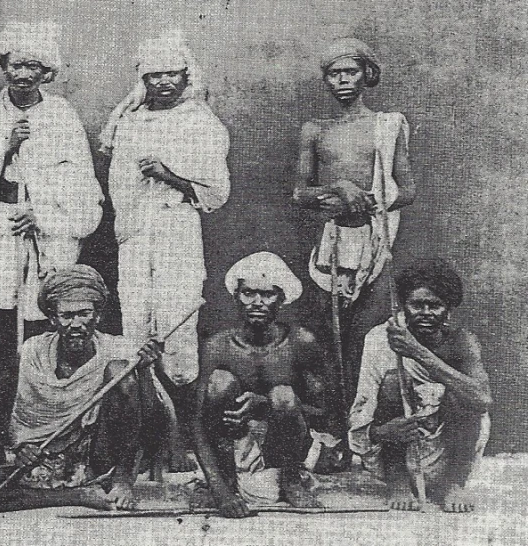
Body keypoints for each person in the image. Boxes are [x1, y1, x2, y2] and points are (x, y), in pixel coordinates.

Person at [0, 22, 103, 462]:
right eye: (16, 64)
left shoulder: (61, 115)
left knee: (46, 327)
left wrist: (42, 212)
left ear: (47, 73)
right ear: (4, 66)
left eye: (33, 66)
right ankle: (1, 434)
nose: (23, 74)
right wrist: (6, 147)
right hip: (4, 224)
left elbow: (82, 183)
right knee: (1, 330)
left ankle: (47, 433)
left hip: (50, 230)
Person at [99, 31, 230, 467]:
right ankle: (144, 442)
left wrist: (168, 174)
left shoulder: (201, 122)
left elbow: (215, 193)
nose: (164, 83)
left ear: (185, 75)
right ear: (144, 79)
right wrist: (134, 213)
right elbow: (119, 183)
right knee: (136, 323)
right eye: (154, 75)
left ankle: (185, 443)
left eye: (172, 74)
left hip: (177, 227)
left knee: (177, 324)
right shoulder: (130, 121)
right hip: (136, 232)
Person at [0, 265, 162, 513]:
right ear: (52, 318)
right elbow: (22, 416)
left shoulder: (118, 350)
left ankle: (120, 481)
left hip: (98, 456)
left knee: (119, 370)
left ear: (98, 316)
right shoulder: (34, 351)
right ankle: (76, 495)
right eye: (67, 315)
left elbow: (152, 424)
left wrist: (144, 371)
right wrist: (22, 447)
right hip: (44, 454)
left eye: (84, 314)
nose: (76, 324)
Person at [293, 38, 416, 446]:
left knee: (368, 339)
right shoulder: (315, 130)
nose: (343, 80)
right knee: (328, 343)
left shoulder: (387, 125)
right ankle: (331, 438)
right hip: (330, 244)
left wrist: (372, 200)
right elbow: (300, 193)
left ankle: (364, 437)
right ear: (325, 80)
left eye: (351, 71)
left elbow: (408, 189)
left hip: (375, 242)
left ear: (366, 74)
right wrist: (340, 188)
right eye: (334, 73)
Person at [348, 259, 492, 512]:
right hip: (395, 450)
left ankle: (453, 485)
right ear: (403, 306)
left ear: (448, 309)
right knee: (393, 382)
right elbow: (360, 412)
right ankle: (399, 483)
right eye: (417, 305)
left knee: (461, 393)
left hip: (448, 452)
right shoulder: (380, 339)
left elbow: (482, 399)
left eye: (434, 306)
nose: (425, 312)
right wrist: (383, 432)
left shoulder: (461, 341)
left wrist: (416, 352)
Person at [192, 252, 325, 518]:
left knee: (283, 395)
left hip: (285, 447)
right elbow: (196, 421)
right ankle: (228, 479)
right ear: (236, 296)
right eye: (248, 293)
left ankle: (290, 481)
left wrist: (265, 406)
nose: (257, 302)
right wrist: (218, 488)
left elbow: (323, 414)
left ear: (282, 299)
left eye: (267, 294)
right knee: (219, 383)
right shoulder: (218, 346)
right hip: (232, 445)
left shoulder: (301, 342)